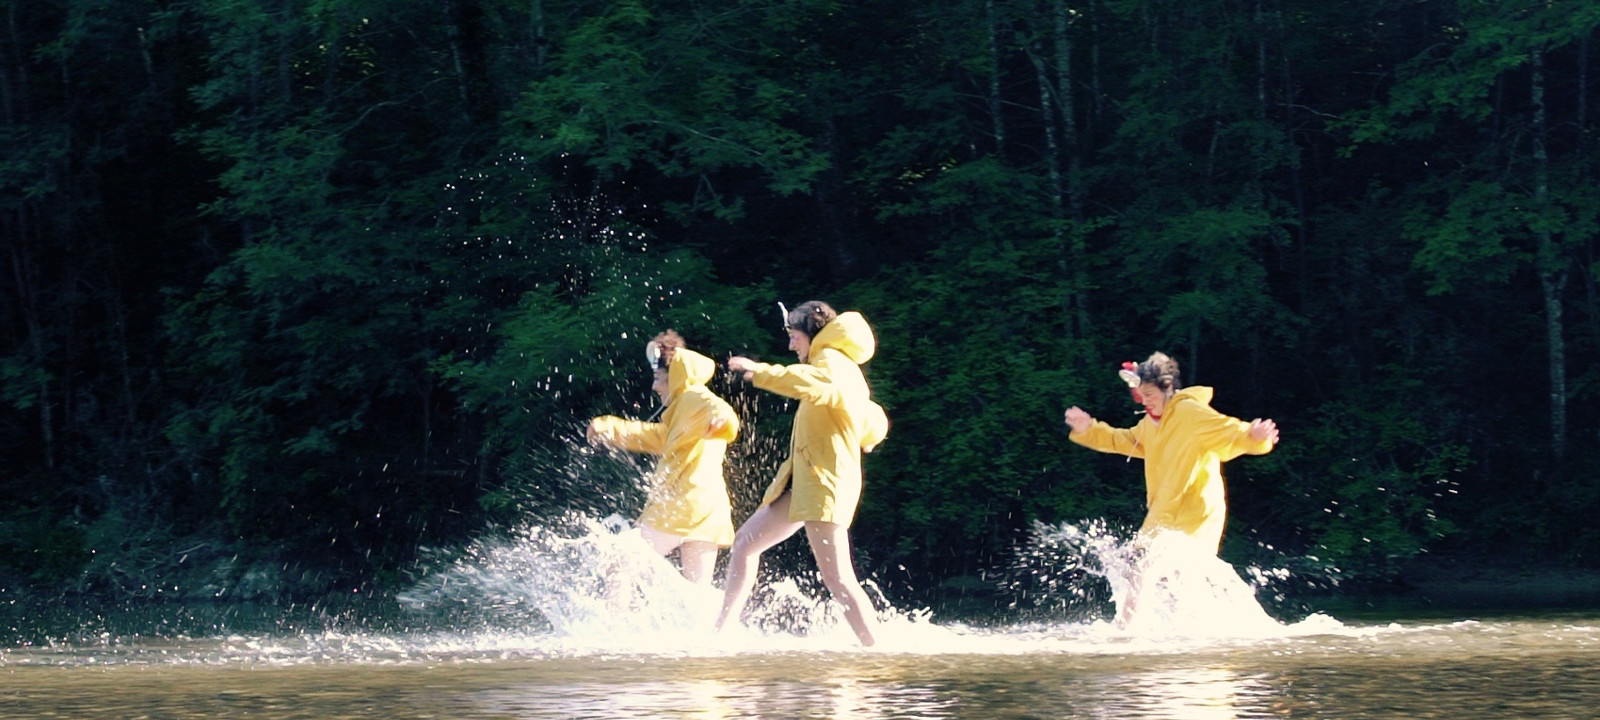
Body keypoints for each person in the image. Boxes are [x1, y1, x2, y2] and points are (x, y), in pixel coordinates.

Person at [715, 301, 890, 646]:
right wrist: (868, 435)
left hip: (824, 486)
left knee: (839, 580)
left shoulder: (833, 363)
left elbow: (814, 384)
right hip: (805, 485)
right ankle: (719, 635)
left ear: (813, 334)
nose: (791, 345)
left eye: (795, 336)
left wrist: (759, 371)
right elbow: (867, 415)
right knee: (745, 545)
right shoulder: (837, 364)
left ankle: (879, 652)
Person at [1062, 352, 1279, 626]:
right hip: (1165, 515)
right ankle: (1208, 629)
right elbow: (1123, 440)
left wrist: (1254, 437)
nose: (1145, 400)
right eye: (1141, 394)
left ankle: (1125, 630)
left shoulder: (1189, 412)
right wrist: (1089, 429)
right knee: (1166, 576)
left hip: (1194, 513)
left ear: (1167, 388)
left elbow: (1228, 430)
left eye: (1150, 394)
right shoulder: (1150, 424)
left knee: (1145, 568)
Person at [587, 330, 739, 585]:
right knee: (697, 592)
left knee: (620, 565)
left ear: (675, 378)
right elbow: (657, 437)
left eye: (658, 378)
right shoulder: (683, 412)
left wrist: (723, 423)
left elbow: (722, 411)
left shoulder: (693, 397)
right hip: (708, 511)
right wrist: (610, 428)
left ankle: (614, 623)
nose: (654, 386)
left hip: (680, 505)